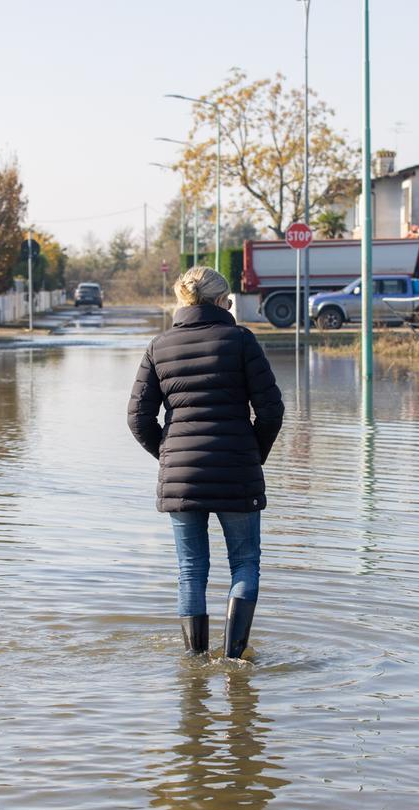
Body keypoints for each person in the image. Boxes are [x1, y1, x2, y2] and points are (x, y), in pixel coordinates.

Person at [127, 266, 284, 659]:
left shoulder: (158, 346)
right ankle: (233, 661)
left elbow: (137, 419)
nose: (231, 307)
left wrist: (169, 456)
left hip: (182, 478)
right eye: (229, 302)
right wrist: (253, 454)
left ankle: (195, 663)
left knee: (191, 571)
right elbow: (271, 410)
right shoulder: (241, 340)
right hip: (237, 472)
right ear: (219, 302)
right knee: (245, 564)